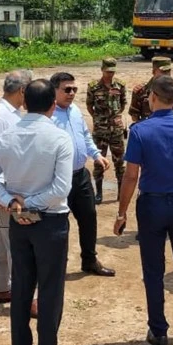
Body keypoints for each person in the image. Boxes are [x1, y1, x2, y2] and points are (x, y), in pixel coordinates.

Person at [0, 79, 76, 345]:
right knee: (50, 291)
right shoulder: (59, 139)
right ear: (51, 104)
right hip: (49, 223)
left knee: (21, 289)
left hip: (18, 223)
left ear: (24, 101)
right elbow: (61, 188)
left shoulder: (7, 137)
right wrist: (30, 204)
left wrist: (11, 201)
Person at [114, 75, 173, 345]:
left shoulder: (140, 131)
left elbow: (131, 176)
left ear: (152, 98)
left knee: (153, 269)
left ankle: (159, 331)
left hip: (152, 205)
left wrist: (121, 212)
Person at [50, 72, 116, 277]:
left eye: (74, 89)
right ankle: (56, 267)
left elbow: (85, 136)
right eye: (66, 89)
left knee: (89, 218)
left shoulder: (75, 110)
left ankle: (89, 260)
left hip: (80, 176)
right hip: (59, 179)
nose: (71, 94)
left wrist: (96, 154)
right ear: (54, 90)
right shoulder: (49, 115)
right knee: (59, 224)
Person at [0, 70, 33, 305]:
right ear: (22, 90)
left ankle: (2, 288)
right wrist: (5, 197)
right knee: (16, 244)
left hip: (8, 191)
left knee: (2, 240)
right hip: (7, 192)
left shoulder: (12, 114)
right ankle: (28, 298)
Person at [86, 58, 128, 205]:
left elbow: (123, 104)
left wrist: (114, 117)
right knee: (99, 162)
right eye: (107, 71)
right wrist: (99, 119)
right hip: (100, 131)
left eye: (112, 71)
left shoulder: (120, 85)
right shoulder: (93, 87)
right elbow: (89, 106)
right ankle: (99, 193)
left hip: (116, 130)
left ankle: (120, 192)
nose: (110, 74)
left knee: (119, 162)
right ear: (102, 70)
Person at [129, 57, 173, 124]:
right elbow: (134, 116)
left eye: (168, 71)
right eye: (163, 71)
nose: (167, 74)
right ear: (153, 72)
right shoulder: (141, 91)